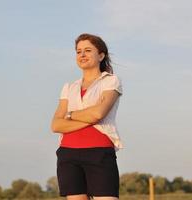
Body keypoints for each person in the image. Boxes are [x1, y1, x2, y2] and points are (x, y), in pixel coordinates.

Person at [51, 33, 123, 200]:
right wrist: (88, 117)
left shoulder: (111, 81)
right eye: (78, 51)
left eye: (88, 50)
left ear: (101, 55)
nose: (82, 55)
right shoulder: (69, 87)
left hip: (99, 152)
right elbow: (56, 125)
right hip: (68, 154)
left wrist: (69, 115)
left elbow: (98, 114)